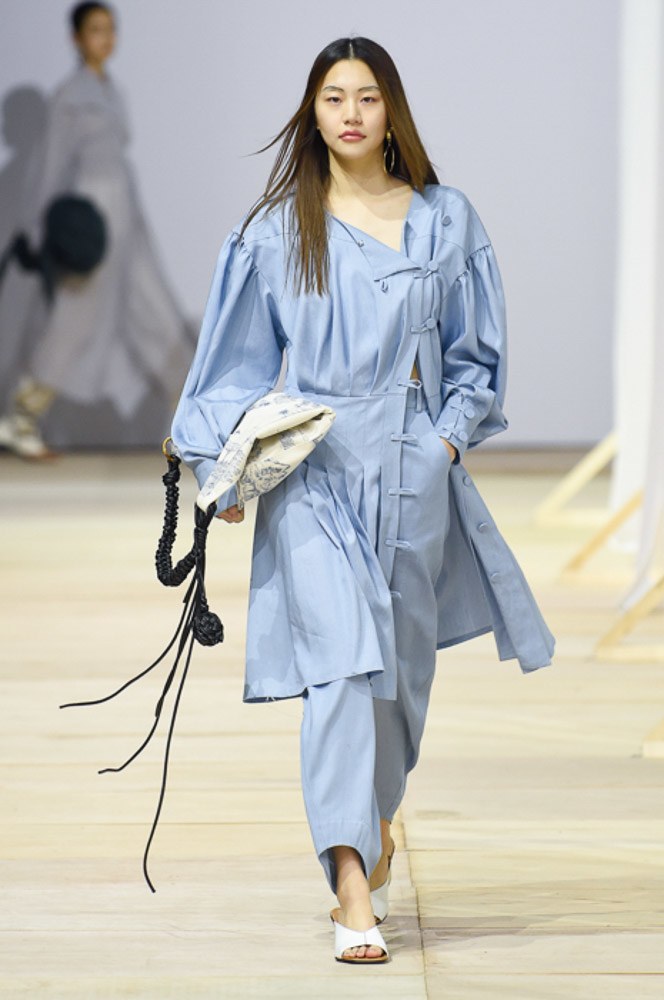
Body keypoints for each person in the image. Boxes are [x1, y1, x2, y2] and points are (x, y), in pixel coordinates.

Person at [171, 36, 554, 964]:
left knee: (400, 685)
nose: (350, 112)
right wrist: (226, 472)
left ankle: (372, 820)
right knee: (341, 670)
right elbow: (230, 366)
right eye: (334, 96)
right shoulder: (276, 231)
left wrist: (445, 440)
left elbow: (476, 357)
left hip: (414, 468)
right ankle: (350, 882)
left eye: (368, 96)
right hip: (314, 470)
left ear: (392, 112)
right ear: (312, 112)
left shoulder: (445, 219)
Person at [0, 2, 190, 458]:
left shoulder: (112, 90)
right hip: (94, 224)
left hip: (127, 219)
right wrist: (38, 230)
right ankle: (21, 416)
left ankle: (194, 419)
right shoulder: (69, 95)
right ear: (77, 38)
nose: (106, 38)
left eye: (110, 29)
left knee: (157, 313)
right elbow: (51, 165)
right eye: (96, 30)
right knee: (74, 320)